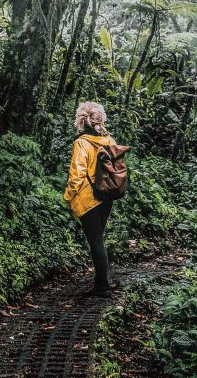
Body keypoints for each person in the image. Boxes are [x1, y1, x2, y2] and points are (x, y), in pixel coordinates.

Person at [63, 102, 117, 298]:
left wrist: (68, 196)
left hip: (88, 198)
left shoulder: (82, 143)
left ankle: (103, 286)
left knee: (95, 241)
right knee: (98, 239)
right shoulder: (108, 140)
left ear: (81, 120)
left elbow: (77, 174)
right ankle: (101, 282)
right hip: (107, 195)